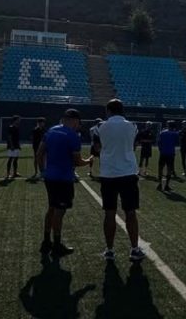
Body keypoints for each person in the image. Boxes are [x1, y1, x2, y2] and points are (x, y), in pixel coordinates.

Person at [37, 109, 92, 257]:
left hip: (50, 177)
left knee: (51, 208)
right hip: (63, 179)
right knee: (59, 212)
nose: (78, 126)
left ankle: (46, 241)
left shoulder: (51, 130)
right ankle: (57, 245)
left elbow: (40, 153)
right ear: (75, 121)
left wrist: (43, 171)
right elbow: (77, 161)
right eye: (78, 123)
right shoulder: (73, 136)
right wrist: (89, 161)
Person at [96, 99, 146, 262]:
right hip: (128, 173)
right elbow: (133, 145)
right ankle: (134, 249)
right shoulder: (132, 126)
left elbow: (97, 148)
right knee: (130, 213)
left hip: (108, 173)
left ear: (109, 111)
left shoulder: (100, 127)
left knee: (109, 213)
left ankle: (109, 250)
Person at [156, 121, 179, 192]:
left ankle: (160, 184)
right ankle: (166, 185)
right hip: (171, 153)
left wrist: (161, 150)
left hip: (163, 153)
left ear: (168, 125)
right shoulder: (175, 134)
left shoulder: (162, 132)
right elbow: (177, 142)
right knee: (169, 170)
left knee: (160, 169)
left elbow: (159, 142)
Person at [5, 115, 23, 180]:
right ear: (15, 120)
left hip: (16, 145)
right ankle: (8, 174)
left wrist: (19, 145)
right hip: (12, 146)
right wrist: (11, 145)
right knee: (10, 159)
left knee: (16, 159)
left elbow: (17, 138)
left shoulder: (17, 127)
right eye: (18, 119)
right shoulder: (11, 127)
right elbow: (9, 137)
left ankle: (15, 173)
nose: (19, 121)